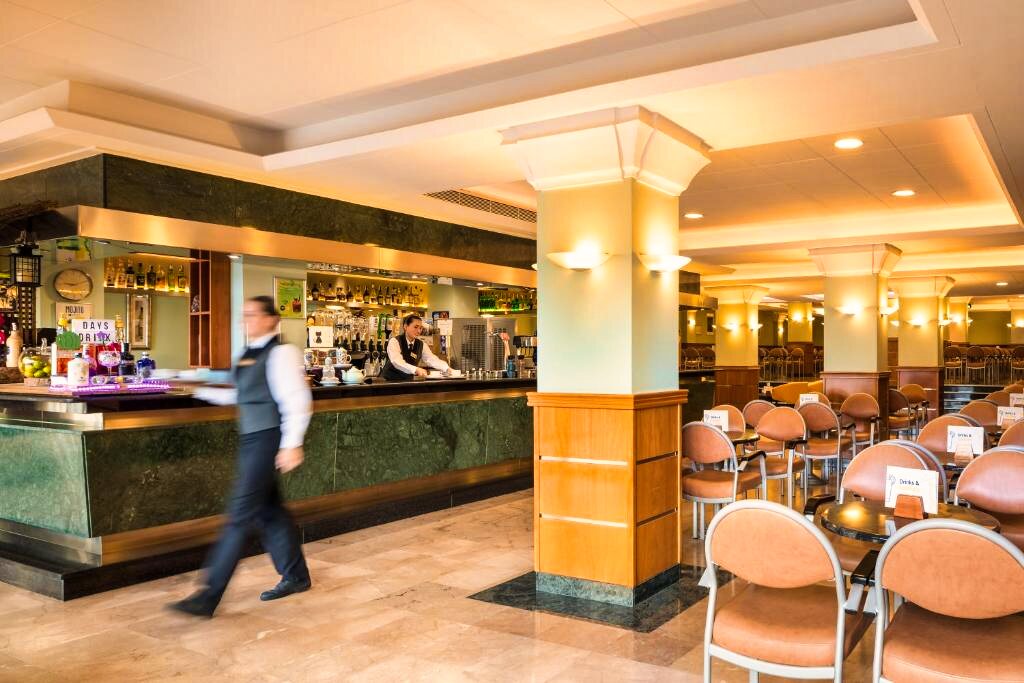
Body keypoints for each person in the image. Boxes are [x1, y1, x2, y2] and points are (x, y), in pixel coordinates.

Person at [169, 295, 312, 618]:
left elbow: (297, 399)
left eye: (252, 314)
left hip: (267, 438)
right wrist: (193, 389)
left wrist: (292, 443)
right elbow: (239, 395)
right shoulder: (248, 353)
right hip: (251, 439)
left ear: (271, 319)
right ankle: (296, 576)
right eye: (243, 315)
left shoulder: (282, 353)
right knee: (269, 511)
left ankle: (208, 595)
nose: (245, 320)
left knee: (239, 515)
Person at [380, 313, 450, 380]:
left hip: (407, 381)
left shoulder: (421, 344)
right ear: (405, 326)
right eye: (415, 327)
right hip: (389, 381)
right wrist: (416, 369)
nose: (419, 331)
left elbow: (431, 359)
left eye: (421, 328)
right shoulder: (395, 341)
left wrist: (446, 368)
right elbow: (397, 361)